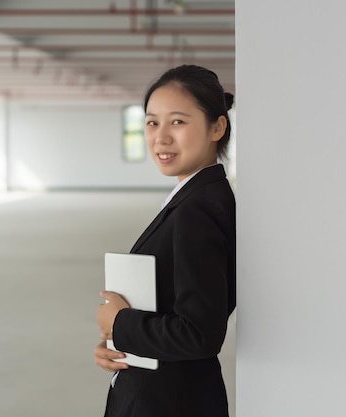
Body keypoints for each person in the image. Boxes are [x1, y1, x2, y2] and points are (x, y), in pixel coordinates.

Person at [95, 64, 236, 417]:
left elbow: (198, 333)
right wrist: (118, 341)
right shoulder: (194, 198)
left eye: (178, 121)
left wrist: (120, 323)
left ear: (216, 127)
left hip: (170, 401)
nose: (161, 137)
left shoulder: (198, 210)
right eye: (151, 122)